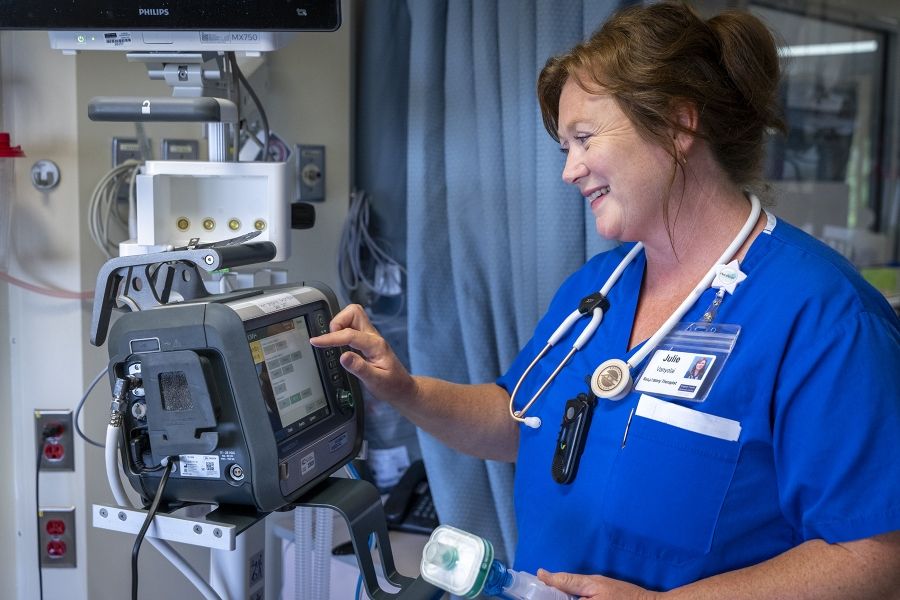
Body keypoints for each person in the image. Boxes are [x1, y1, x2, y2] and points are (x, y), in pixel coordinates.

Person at [311, 2, 900, 597]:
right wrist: (404, 389)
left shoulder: (825, 318)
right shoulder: (598, 288)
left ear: (678, 125)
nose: (570, 171)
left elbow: (875, 557)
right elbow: (519, 421)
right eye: (566, 146)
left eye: (584, 138)